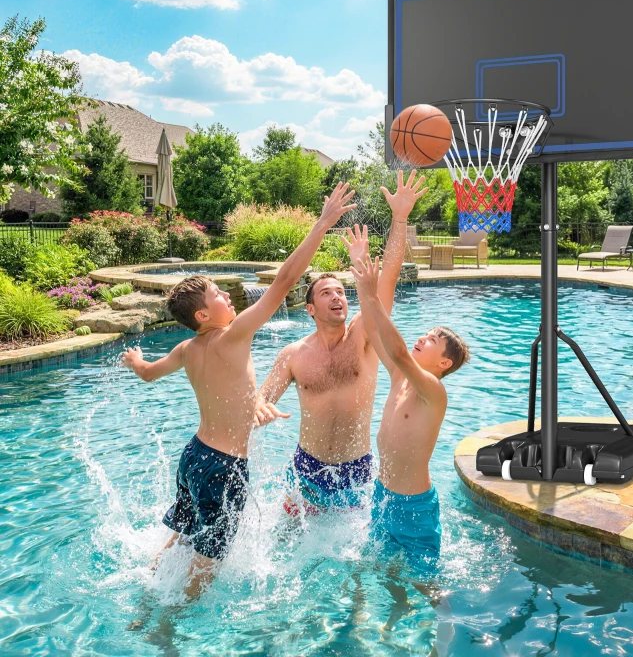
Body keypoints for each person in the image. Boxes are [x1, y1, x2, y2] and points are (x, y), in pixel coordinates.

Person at [121, 183, 356, 598]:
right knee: (211, 558)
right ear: (202, 314)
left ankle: (148, 590)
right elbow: (284, 281)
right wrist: (322, 224)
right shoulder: (233, 337)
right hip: (224, 466)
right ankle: (170, 623)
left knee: (182, 533)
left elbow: (148, 375)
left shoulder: (185, 348)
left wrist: (135, 360)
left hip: (193, 456)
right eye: (217, 295)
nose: (228, 297)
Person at [255, 170, 427, 513]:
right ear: (310, 309)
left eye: (341, 292)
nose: (338, 297)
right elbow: (264, 395)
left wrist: (400, 218)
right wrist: (258, 406)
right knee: (289, 546)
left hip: (356, 473)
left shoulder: (363, 336)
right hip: (306, 471)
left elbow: (387, 282)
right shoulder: (293, 354)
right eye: (326, 293)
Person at [349, 248, 469, 573]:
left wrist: (374, 297)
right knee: (386, 569)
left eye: (431, 340)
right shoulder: (400, 376)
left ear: (444, 363)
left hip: (413, 507)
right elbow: (374, 335)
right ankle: (391, 624)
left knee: (425, 581)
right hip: (382, 496)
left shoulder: (433, 390)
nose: (422, 338)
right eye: (426, 334)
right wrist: (363, 284)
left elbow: (400, 352)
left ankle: (444, 623)